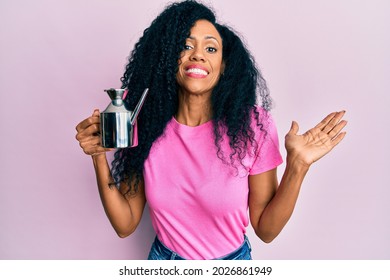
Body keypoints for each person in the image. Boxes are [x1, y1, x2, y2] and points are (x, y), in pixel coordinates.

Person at [75, 0, 347, 260]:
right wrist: (98, 156)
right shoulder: (145, 125)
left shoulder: (253, 126)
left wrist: (297, 166)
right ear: (168, 58)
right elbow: (125, 224)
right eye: (185, 45)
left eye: (211, 49)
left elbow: (266, 230)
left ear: (224, 65)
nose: (197, 55)